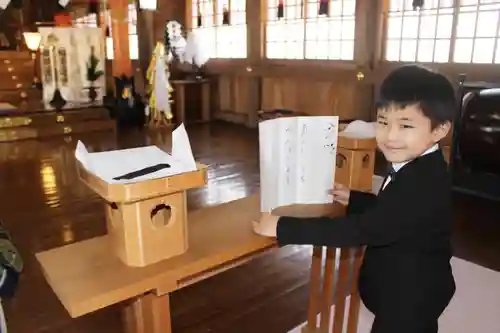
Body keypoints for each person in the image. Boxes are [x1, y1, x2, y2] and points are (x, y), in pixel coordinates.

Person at [253, 64, 457, 333]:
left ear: (440, 130)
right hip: (410, 289)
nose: (390, 136)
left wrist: (282, 226)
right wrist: (356, 199)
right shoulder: (417, 161)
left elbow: (365, 229)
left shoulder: (423, 180)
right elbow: (395, 214)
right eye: (383, 122)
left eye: (405, 125)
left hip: (409, 298)